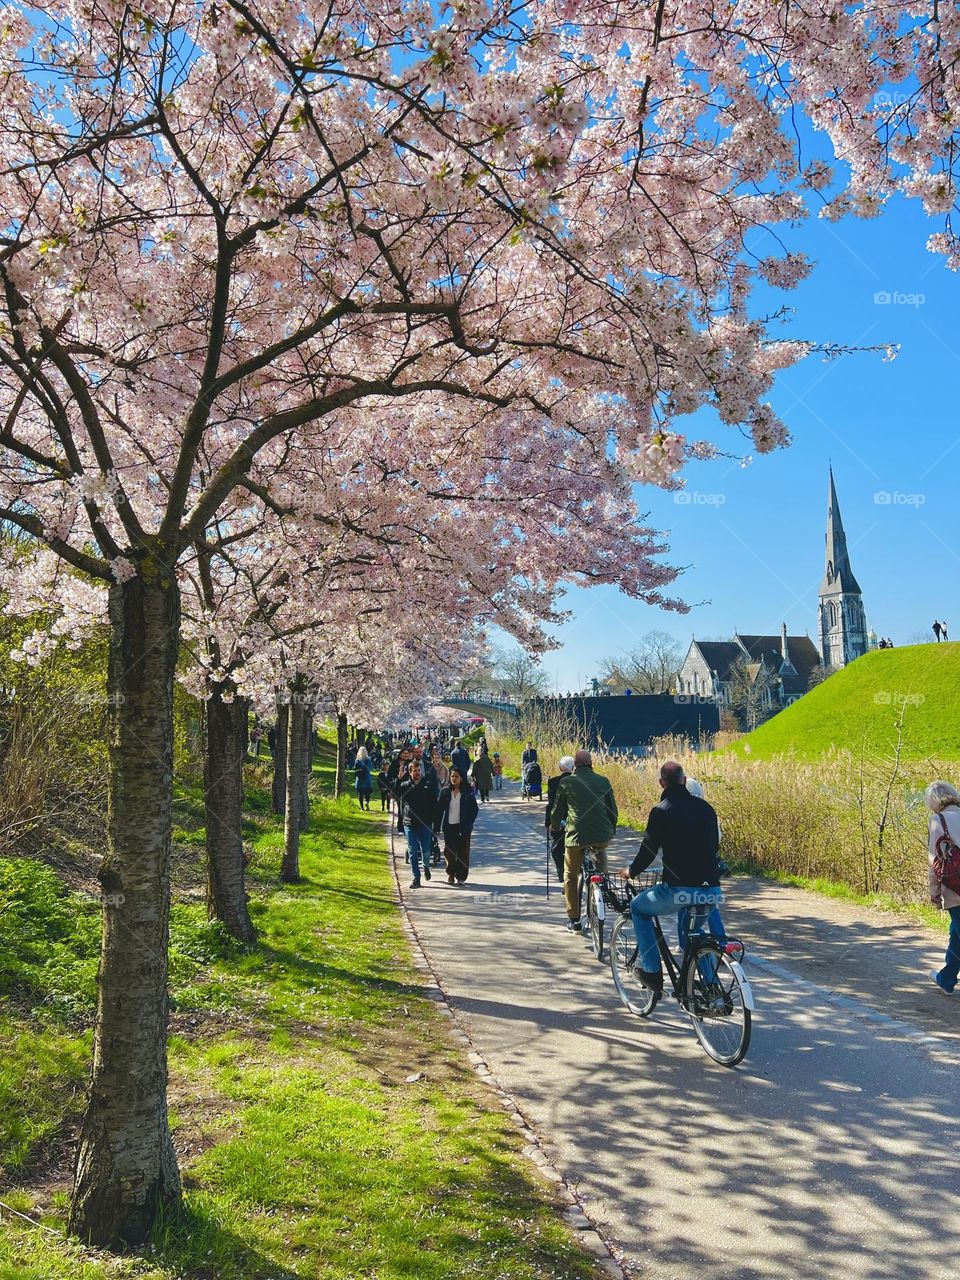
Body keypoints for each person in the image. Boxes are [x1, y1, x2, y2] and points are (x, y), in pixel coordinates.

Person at [620, 760, 722, 991]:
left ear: (661, 783)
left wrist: (631, 871)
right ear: (684, 780)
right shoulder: (706, 808)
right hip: (711, 890)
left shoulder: (661, 810)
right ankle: (711, 988)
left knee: (638, 908)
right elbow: (713, 847)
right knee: (693, 934)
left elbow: (648, 850)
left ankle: (651, 972)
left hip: (678, 890)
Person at [550, 749, 618, 932]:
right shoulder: (603, 781)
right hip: (601, 836)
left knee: (570, 877)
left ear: (575, 766)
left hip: (576, 837)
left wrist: (554, 826)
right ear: (591, 763)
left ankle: (574, 921)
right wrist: (611, 829)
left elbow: (556, 811)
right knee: (601, 862)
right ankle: (602, 890)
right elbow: (612, 810)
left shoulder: (566, 782)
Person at [925, 780, 960, 995]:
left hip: (956, 890)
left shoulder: (938, 820)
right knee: (956, 934)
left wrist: (934, 893)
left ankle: (946, 978)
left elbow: (934, 861)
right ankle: (946, 979)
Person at [398, 760, 439, 888]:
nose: (417, 773)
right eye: (414, 771)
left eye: (418, 770)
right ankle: (416, 877)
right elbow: (395, 793)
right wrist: (398, 779)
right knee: (412, 851)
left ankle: (426, 866)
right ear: (410, 772)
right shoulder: (405, 785)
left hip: (425, 822)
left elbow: (434, 803)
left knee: (426, 850)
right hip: (409, 823)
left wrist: (434, 821)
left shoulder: (428, 784)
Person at [436, 766, 479, 884]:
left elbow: (474, 810)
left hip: (463, 828)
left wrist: (468, 824)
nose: (453, 778)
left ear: (461, 779)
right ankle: (451, 874)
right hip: (449, 827)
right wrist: (436, 826)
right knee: (449, 852)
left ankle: (461, 876)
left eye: (456, 776)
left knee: (462, 853)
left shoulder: (467, 792)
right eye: (452, 776)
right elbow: (439, 810)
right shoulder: (445, 791)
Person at [544, 755, 575, 881]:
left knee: (557, 851)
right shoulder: (579, 780)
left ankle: (565, 879)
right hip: (578, 821)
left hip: (560, 822)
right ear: (573, 768)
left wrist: (548, 822)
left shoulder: (553, 782)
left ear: (560, 768)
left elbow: (551, 805)